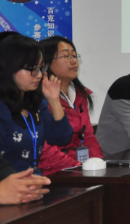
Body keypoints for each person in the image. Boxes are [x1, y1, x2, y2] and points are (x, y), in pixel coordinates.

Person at [0, 35, 73, 174]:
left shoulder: (36, 103)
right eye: (32, 68)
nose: (38, 75)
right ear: (9, 68)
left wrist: (54, 100)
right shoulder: (2, 107)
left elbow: (61, 138)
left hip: (31, 182)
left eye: (40, 68)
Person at [37, 36, 103, 175]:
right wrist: (77, 168)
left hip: (80, 169)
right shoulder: (38, 98)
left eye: (74, 55)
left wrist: (98, 164)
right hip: (54, 172)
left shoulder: (80, 94)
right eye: (66, 56)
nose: (73, 61)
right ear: (46, 63)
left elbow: (88, 136)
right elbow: (45, 149)